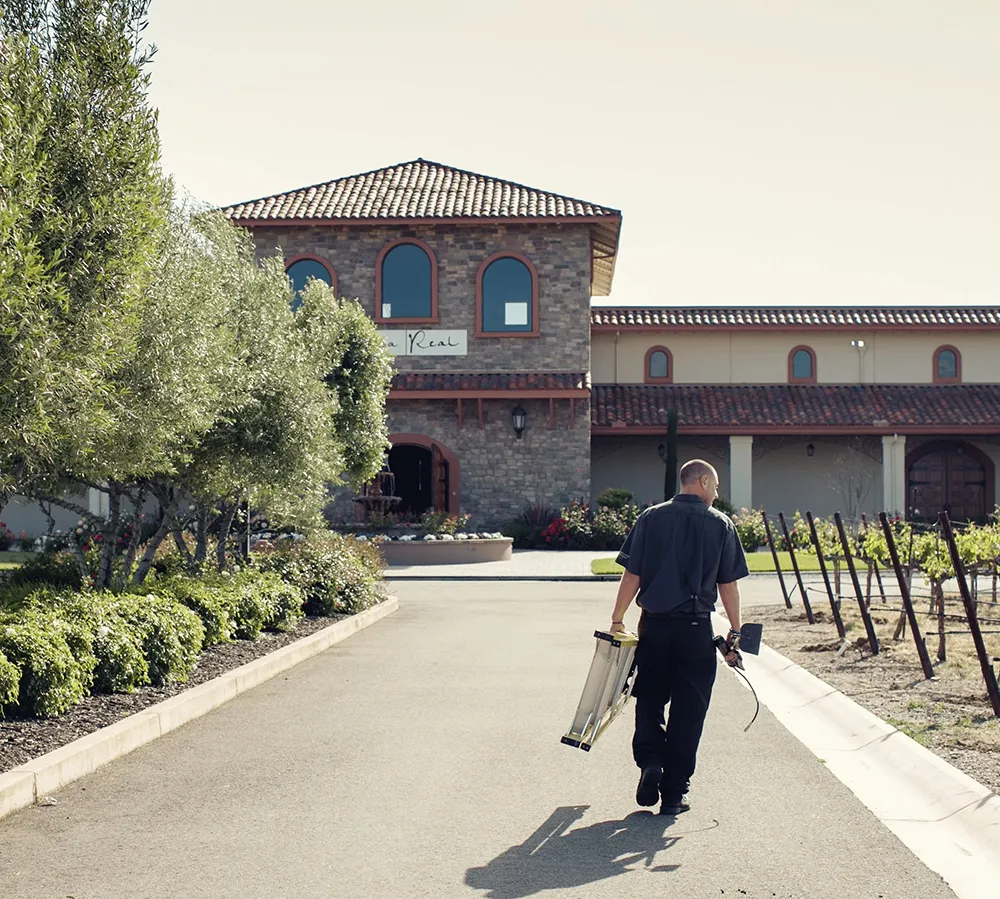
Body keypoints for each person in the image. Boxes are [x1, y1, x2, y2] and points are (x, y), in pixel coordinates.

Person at [608, 459, 749, 815]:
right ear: (702, 482)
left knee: (650, 699)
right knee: (689, 711)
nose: (716, 495)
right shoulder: (721, 524)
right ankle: (674, 792)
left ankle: (650, 762)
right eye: (715, 488)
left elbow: (633, 575)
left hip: (653, 626)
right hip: (695, 629)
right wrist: (735, 629)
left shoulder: (651, 518)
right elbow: (727, 585)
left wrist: (617, 618)